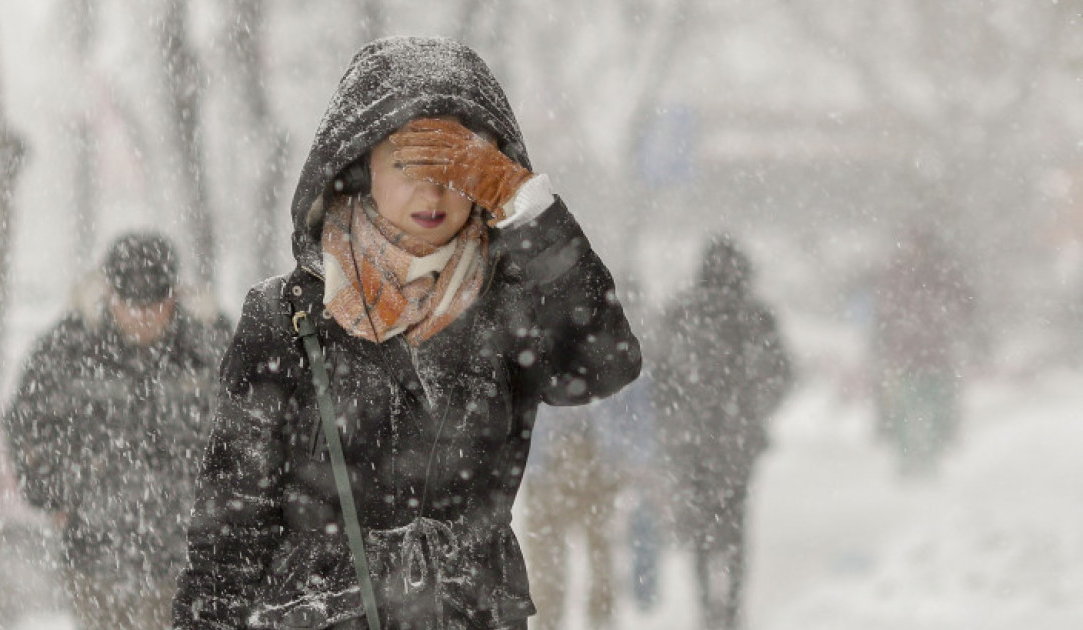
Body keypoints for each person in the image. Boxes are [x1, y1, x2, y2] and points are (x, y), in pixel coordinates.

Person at [172, 36, 641, 630]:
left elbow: (606, 363)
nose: (433, 190)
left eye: (457, 167)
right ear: (360, 168)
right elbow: (231, 526)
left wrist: (525, 204)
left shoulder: (506, 303)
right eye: (408, 163)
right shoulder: (285, 314)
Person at [4, 232, 231, 630]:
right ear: (110, 295)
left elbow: (254, 428)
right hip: (96, 556)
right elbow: (28, 424)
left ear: (173, 297)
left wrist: (227, 507)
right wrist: (54, 494)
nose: (141, 316)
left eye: (153, 305)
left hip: (190, 560)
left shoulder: (212, 348)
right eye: (130, 304)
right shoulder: (69, 348)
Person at [652, 235, 793, 630]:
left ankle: (705, 606)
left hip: (693, 436)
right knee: (735, 521)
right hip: (736, 437)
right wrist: (756, 409)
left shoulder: (682, 311)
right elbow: (781, 372)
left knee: (700, 522)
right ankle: (730, 606)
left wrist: (674, 416)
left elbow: (659, 375)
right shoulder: (755, 315)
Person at [523, 372, 660, 630]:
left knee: (599, 562)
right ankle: (551, 623)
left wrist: (633, 458)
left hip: (595, 460)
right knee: (547, 566)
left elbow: (636, 398)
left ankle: (598, 621)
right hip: (550, 461)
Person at [871, 225, 976, 478]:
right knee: (904, 415)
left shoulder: (941, 274)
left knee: (936, 413)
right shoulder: (901, 274)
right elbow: (884, 312)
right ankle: (908, 465)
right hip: (908, 360)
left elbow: (965, 305)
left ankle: (930, 463)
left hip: (934, 359)